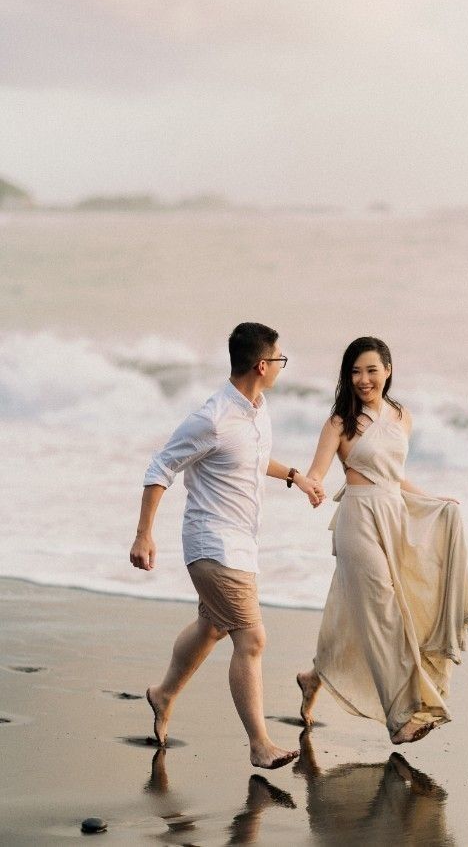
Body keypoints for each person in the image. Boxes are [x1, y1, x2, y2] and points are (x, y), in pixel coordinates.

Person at [130, 322, 324, 770]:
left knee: (213, 627)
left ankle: (162, 695)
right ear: (261, 364)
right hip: (212, 543)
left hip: (241, 545)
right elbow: (161, 466)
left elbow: (252, 459)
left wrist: (296, 478)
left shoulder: (258, 409)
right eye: (279, 360)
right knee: (252, 639)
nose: (280, 367)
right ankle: (259, 744)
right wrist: (144, 534)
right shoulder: (212, 418)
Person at [296, 336, 468, 745]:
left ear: (388, 371)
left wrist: (433, 500)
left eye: (371, 370)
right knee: (383, 611)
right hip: (358, 519)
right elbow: (318, 471)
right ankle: (401, 717)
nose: (363, 379)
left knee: (360, 617)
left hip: (393, 516)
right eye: (355, 371)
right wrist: (309, 485)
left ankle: (314, 677)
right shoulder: (340, 422)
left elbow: (395, 477)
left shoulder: (401, 416)